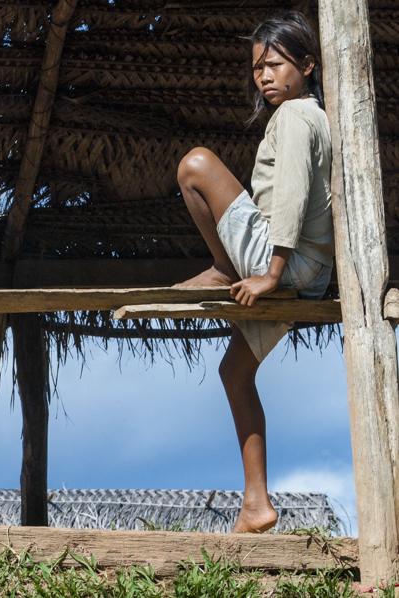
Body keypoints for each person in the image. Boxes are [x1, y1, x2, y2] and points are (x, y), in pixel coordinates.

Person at [175, 12, 332, 532]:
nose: (264, 77)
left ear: (307, 66)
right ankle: (256, 503)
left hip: (282, 261)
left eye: (275, 64)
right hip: (308, 272)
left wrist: (270, 271)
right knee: (235, 372)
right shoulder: (320, 119)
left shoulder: (294, 117)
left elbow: (289, 195)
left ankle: (223, 267)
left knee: (195, 164)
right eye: (257, 69)